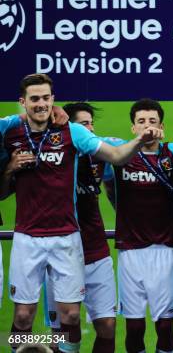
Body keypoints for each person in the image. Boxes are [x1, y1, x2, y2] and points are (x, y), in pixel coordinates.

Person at [0, 74, 163, 352]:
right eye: (34, 99)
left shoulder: (72, 132)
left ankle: (52, 346)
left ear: (53, 99)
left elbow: (115, 155)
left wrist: (139, 140)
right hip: (27, 238)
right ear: (22, 102)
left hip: (66, 238)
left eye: (46, 98)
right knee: (23, 317)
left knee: (71, 316)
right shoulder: (9, 130)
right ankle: (23, 345)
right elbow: (2, 192)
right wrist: (10, 169)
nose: (41, 104)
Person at [105, 98, 173, 353]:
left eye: (152, 121)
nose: (147, 126)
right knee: (134, 327)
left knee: (165, 326)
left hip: (163, 249)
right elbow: (109, 186)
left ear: (161, 125)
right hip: (130, 250)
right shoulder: (119, 153)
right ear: (133, 128)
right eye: (141, 122)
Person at [42, 102, 117, 353]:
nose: (90, 129)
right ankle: (15, 342)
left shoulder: (101, 148)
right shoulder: (50, 153)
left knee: (107, 325)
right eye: (84, 124)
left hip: (96, 250)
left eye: (91, 123)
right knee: (60, 328)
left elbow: (111, 183)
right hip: (59, 251)